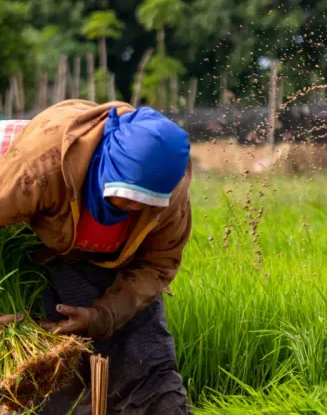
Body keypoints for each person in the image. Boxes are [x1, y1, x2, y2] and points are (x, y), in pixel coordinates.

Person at [0, 100, 193, 414]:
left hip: (113, 260)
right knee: (52, 377)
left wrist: (102, 316)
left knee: (150, 375)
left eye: (147, 202)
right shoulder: (38, 168)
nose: (133, 208)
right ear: (104, 164)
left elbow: (158, 264)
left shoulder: (171, 195)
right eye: (127, 196)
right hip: (37, 237)